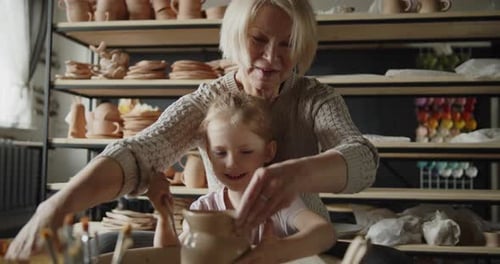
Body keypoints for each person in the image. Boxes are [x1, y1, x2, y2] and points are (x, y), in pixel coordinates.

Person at [6, 0, 381, 261]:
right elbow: (141, 151)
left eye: (288, 44)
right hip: (225, 243)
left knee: (383, 259)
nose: (272, 58)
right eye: (259, 40)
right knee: (105, 242)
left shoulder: (315, 98)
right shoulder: (208, 101)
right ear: (236, 36)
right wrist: (55, 207)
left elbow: (361, 159)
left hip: (301, 243)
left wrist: (295, 174)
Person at [147, 92, 336, 263]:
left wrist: (277, 252)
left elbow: (324, 233)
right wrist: (164, 217)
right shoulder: (204, 209)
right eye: (220, 153)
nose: (231, 163)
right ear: (209, 155)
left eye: (246, 152)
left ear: (268, 152)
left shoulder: (277, 203)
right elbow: (169, 257)